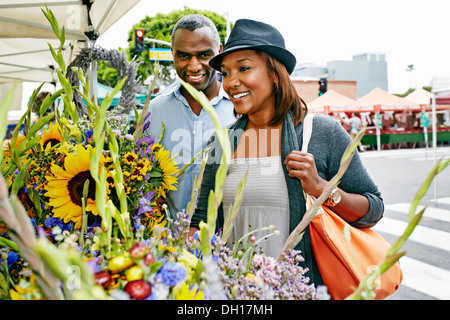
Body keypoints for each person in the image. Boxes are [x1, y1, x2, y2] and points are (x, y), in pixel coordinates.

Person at [189, 19, 384, 287]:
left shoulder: (322, 132)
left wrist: (321, 188)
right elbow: (202, 219)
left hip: (298, 290)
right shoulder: (221, 141)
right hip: (233, 290)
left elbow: (373, 208)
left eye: (244, 68)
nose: (232, 82)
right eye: (225, 73)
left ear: (274, 73)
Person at [143, 14, 236, 217]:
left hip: (229, 244)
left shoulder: (239, 109)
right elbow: (142, 178)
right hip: (167, 242)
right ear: (172, 54)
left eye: (204, 55)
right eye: (184, 56)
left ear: (219, 51)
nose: (194, 66)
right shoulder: (153, 111)